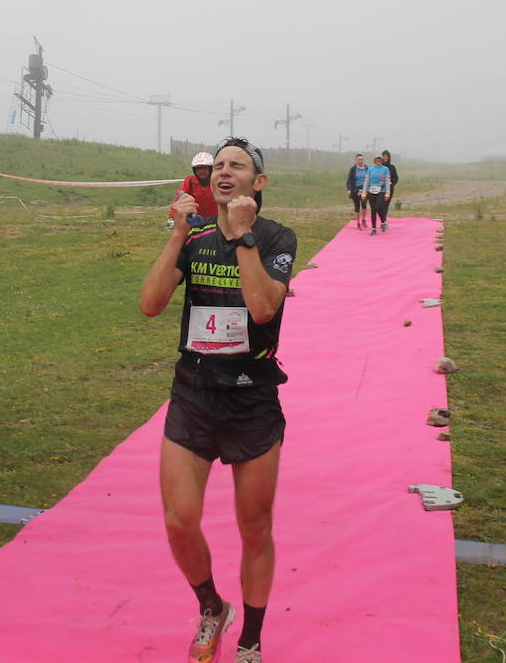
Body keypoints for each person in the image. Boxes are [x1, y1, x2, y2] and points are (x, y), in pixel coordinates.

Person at [140, 137, 296, 663]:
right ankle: (212, 607)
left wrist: (245, 236)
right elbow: (150, 304)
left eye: (238, 166)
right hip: (194, 394)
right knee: (179, 520)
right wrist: (177, 235)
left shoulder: (277, 237)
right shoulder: (196, 237)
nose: (225, 172)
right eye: (220, 165)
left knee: (255, 526)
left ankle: (251, 638)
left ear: (259, 182)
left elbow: (261, 309)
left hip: (251, 400)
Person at [168, 151, 218, 229]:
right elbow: (178, 198)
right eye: (198, 169)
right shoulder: (190, 181)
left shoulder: (218, 181)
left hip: (216, 222)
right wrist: (171, 217)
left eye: (204, 168)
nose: (201, 172)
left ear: (210, 169)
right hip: (196, 222)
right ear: (195, 170)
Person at [364, 154, 393, 235]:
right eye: (377, 159)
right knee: (373, 210)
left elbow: (387, 181)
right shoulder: (370, 169)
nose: (378, 161)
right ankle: (373, 229)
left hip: (382, 191)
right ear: (374, 160)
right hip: (371, 191)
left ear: (381, 160)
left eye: (380, 160)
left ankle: (383, 222)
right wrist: (364, 192)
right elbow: (366, 181)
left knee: (378, 207)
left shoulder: (385, 169)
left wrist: (387, 193)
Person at [345, 153, 369, 229]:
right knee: (357, 206)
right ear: (356, 160)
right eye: (359, 159)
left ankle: (363, 219)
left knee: (364, 205)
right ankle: (358, 223)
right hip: (355, 189)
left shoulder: (366, 168)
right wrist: (349, 190)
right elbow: (349, 180)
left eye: (362, 159)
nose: (360, 161)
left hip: (364, 189)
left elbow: (370, 178)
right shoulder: (353, 169)